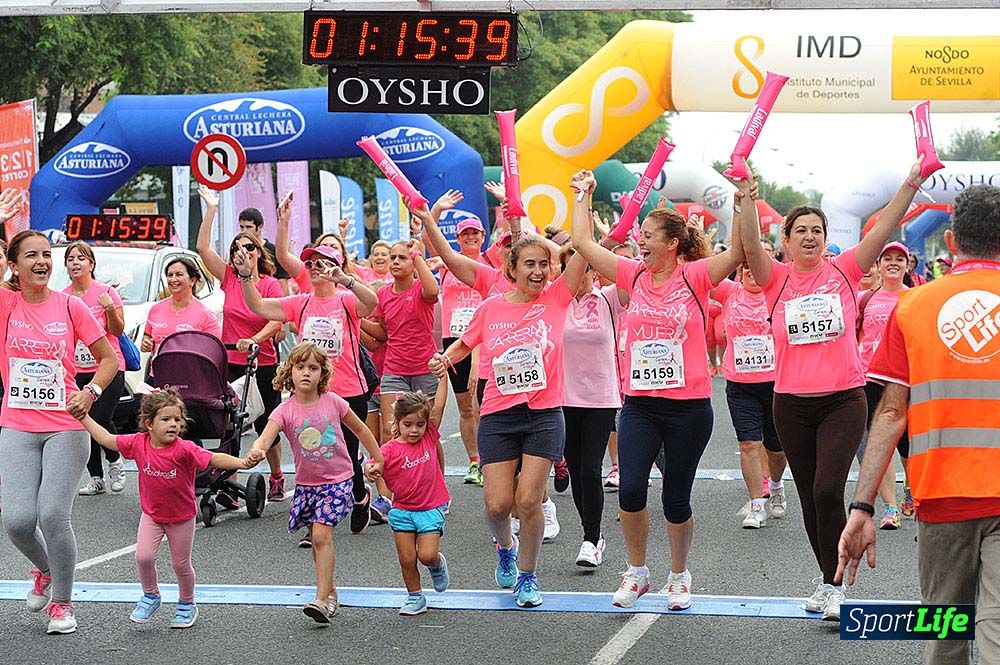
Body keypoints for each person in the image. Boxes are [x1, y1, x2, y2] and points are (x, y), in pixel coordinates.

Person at [741, 157, 928, 622]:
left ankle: (836, 582)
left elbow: (883, 227)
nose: (809, 237)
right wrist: (744, 194)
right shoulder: (775, 279)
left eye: (816, 230)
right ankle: (829, 582)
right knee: (809, 495)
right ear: (785, 241)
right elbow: (747, 243)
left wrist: (909, 181)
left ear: (826, 239)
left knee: (828, 490)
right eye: (800, 230)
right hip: (791, 405)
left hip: (844, 399)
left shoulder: (845, 269)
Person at [837, 184, 1000, 665]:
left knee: (945, 634)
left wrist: (862, 505)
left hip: (941, 498)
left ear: (950, 242)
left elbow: (889, 414)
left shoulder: (913, 307)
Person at [571, 170, 745, 612]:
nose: (640, 241)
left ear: (671, 243)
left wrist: (742, 200)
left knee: (675, 498)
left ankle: (679, 576)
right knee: (630, 490)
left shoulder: (696, 276)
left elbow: (743, 250)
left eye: (647, 235)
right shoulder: (632, 275)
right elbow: (585, 245)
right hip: (640, 406)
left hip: (688, 408)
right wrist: (582, 196)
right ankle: (636, 573)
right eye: (639, 235)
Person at [429, 216, 587, 608]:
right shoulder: (491, 307)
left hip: (544, 413)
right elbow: (465, 343)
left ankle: (529, 576)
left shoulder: (557, 297)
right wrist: (444, 359)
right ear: (511, 269)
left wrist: (582, 199)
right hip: (499, 415)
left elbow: (583, 248)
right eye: (529, 264)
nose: (538, 271)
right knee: (498, 505)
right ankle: (506, 549)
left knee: (529, 499)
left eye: (543, 264)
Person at [0, 229, 119, 635]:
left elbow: (108, 360)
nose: (43, 262)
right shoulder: (6, 304)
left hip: (67, 424)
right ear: (13, 266)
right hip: (17, 422)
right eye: (31, 256)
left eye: (47, 255)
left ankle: (63, 605)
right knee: (17, 521)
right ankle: (45, 569)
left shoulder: (70, 306)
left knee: (52, 514)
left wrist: (91, 392)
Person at [233, 240, 380, 539]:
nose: (315, 268)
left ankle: (359, 495)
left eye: (322, 262)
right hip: (311, 396)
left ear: (335, 265)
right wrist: (247, 277)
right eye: (310, 264)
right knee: (313, 454)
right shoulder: (300, 302)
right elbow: (259, 306)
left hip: (348, 391)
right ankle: (317, 522)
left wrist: (345, 281)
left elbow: (371, 303)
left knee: (347, 457)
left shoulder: (346, 300)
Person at [77, 388, 250, 628]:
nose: (173, 425)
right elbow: (107, 439)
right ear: (149, 424)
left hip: (181, 517)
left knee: (180, 565)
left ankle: (187, 604)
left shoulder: (184, 449)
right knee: (143, 556)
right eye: (166, 419)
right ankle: (151, 595)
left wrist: (242, 462)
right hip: (152, 515)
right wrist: (83, 416)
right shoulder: (138, 443)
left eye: (177, 420)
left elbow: (213, 459)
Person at [245, 342, 383, 624]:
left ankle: (320, 600)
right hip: (308, 486)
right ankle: (329, 592)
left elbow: (360, 428)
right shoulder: (284, 410)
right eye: (300, 367)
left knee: (321, 536)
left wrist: (377, 458)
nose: (306, 373)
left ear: (322, 373)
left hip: (339, 480)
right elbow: (266, 436)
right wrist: (258, 449)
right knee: (319, 542)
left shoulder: (333, 402)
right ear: (289, 372)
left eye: (313, 368)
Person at [196, 185, 285, 504]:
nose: (241, 253)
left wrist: (257, 340)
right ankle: (228, 480)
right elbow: (203, 248)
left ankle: (276, 476)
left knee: (265, 422)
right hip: (230, 359)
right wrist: (211, 209)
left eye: (248, 248)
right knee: (229, 421)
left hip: (261, 362)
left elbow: (278, 319)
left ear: (259, 251)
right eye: (236, 249)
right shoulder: (230, 277)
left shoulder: (271, 284)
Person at [558, 244, 621, 567]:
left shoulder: (609, 298)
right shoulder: (557, 301)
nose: (576, 275)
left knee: (589, 468)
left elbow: (629, 274)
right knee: (577, 470)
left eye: (582, 268)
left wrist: (601, 242)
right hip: (564, 398)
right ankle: (592, 533)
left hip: (600, 398)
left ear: (594, 271)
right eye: (569, 268)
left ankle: (590, 539)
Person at [718, 257, 789, 530]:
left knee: (776, 449)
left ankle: (777, 483)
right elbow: (698, 272)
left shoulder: (779, 292)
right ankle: (757, 504)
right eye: (745, 267)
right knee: (748, 444)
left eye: (754, 267)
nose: (750, 272)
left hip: (775, 383)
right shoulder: (728, 292)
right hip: (740, 384)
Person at [375, 379, 451, 615]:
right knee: (407, 559)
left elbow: (438, 406)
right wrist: (371, 469)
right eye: (408, 424)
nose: (414, 430)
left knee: (426, 555)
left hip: (429, 508)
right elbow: (375, 461)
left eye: (420, 424)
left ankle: (437, 564)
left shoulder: (429, 436)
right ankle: (415, 596)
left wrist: (443, 378)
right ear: (398, 423)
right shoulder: (390, 448)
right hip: (402, 510)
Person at [430, 195, 489, 487]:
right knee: (465, 407)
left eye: (475, 233)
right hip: (455, 340)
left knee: (483, 405)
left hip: (485, 338)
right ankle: (475, 461)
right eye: (465, 233)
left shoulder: (490, 264)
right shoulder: (447, 263)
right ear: (458, 238)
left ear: (482, 236)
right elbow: (427, 240)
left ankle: (494, 459)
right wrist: (437, 209)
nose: (470, 237)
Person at [62, 241, 128, 497]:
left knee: (99, 417)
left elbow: (118, 330)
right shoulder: (64, 296)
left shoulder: (106, 292)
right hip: (77, 369)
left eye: (81, 258)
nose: (76, 262)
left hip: (109, 367)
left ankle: (115, 463)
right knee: (82, 420)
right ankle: (96, 477)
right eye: (71, 259)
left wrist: (109, 308)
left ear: (91, 263)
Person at [856, 241, 910, 528]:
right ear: (878, 265)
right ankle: (891, 507)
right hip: (870, 378)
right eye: (887, 258)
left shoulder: (916, 298)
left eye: (898, 259)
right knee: (882, 443)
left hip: (906, 380)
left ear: (906, 265)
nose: (892, 263)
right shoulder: (865, 299)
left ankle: (910, 489)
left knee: (908, 447)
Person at [141, 258, 222, 355]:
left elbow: (215, 350)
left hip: (191, 369)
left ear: (192, 280)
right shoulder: (155, 309)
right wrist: (146, 343)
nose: (173, 279)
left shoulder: (206, 315)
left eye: (179, 274)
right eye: (170, 275)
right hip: (159, 369)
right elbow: (147, 336)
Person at [238, 206, 290, 294]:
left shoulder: (274, 251)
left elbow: (283, 284)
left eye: (248, 227)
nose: (244, 231)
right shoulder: (238, 250)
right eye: (242, 227)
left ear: (260, 227)